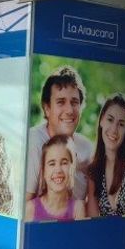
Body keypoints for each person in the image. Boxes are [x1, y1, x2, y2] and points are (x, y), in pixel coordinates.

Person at [25, 66, 93, 203]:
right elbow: (25, 205)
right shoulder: (34, 142)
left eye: (74, 102)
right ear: (47, 108)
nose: (69, 110)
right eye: (61, 102)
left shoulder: (87, 148)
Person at [86, 94, 125, 217]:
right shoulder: (94, 169)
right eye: (110, 120)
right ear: (101, 121)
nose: (114, 130)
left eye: (121, 124)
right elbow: (93, 221)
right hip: (104, 230)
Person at [25, 134, 86, 222]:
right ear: (43, 171)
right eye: (52, 164)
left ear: (72, 168)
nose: (58, 170)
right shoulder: (30, 209)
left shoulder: (78, 208)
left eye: (64, 163)